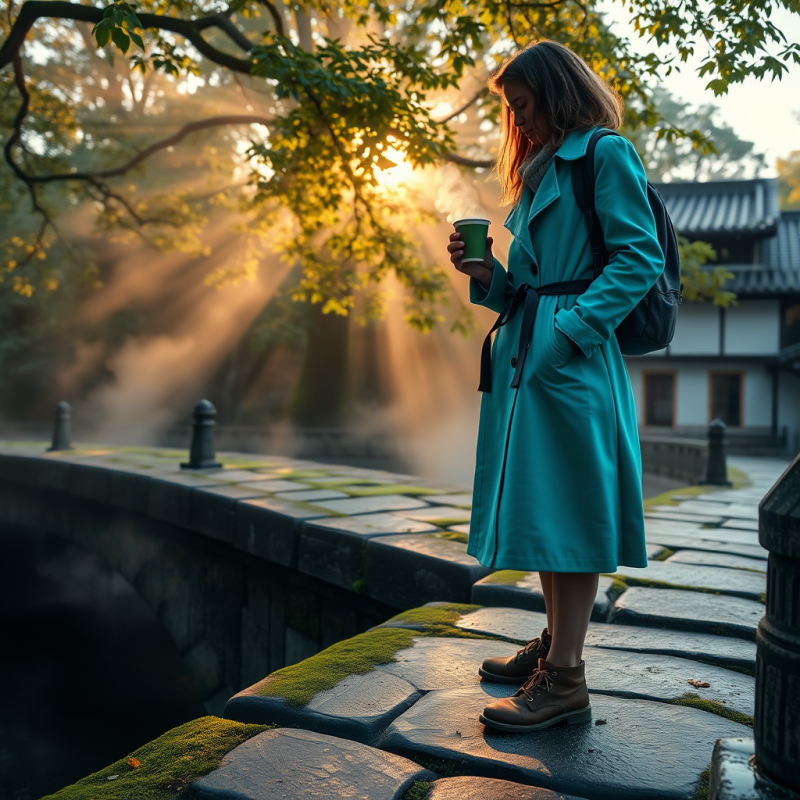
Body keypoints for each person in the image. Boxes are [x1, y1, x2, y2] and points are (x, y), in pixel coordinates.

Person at [446, 39, 664, 733]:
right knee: (548, 514)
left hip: (567, 360)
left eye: (522, 104)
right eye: (511, 109)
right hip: (532, 360)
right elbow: (530, 285)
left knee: (569, 514)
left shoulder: (603, 154)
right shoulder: (541, 170)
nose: (517, 121)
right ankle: (555, 645)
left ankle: (566, 677)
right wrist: (490, 280)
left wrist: (569, 334)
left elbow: (638, 258)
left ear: (556, 91)